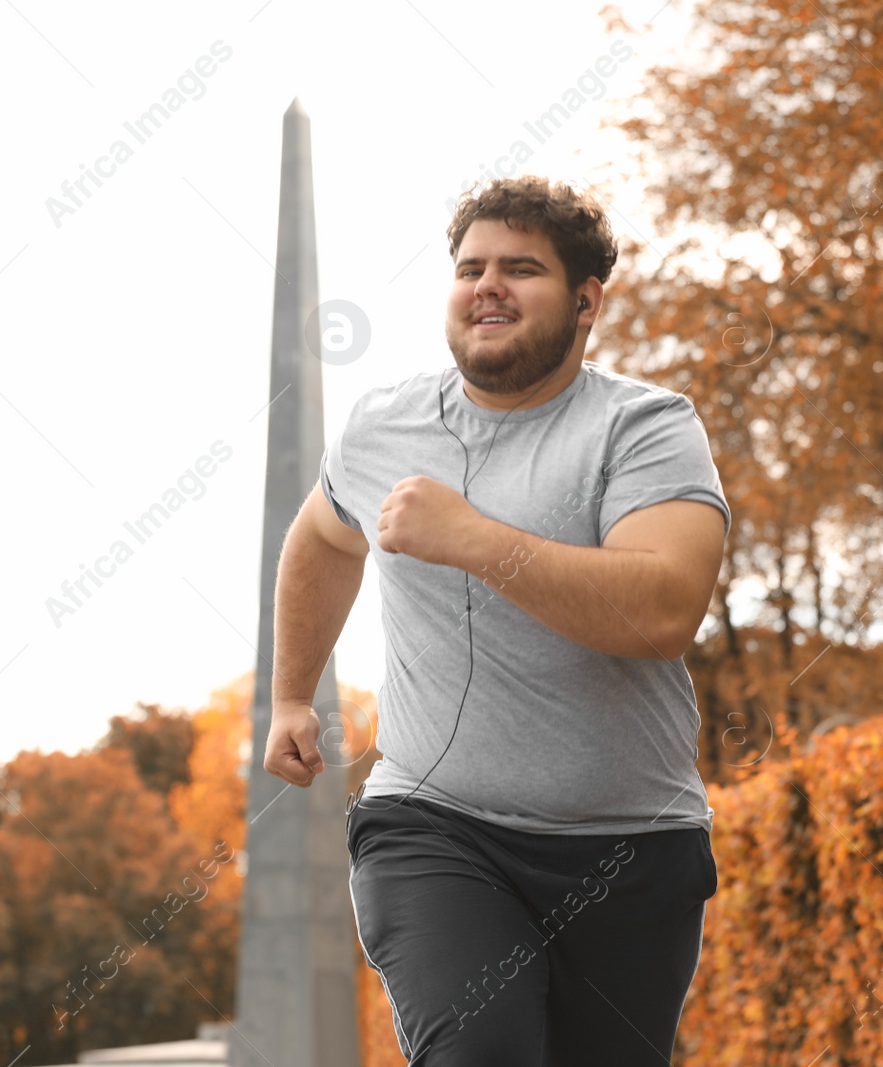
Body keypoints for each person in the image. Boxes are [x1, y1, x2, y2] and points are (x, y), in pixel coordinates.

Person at [261, 175, 730, 1065]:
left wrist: (476, 540)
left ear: (587, 300)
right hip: (435, 825)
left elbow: (664, 610)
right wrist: (290, 694)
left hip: (630, 844)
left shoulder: (647, 429)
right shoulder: (382, 425)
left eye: (522, 269)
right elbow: (323, 537)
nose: (488, 285)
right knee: (480, 1053)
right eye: (471, 266)